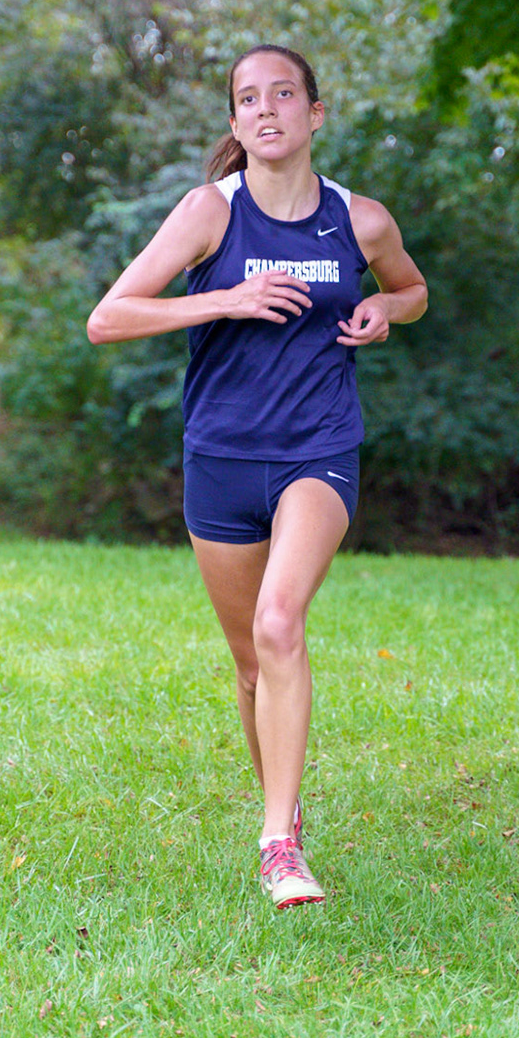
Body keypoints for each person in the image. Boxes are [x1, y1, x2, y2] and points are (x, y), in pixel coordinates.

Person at [86, 45, 429, 908]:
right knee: (249, 664)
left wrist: (384, 306)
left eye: (283, 94)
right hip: (221, 459)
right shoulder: (210, 211)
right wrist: (225, 299)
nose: (266, 108)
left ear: (316, 113)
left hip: (318, 450)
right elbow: (108, 318)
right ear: (236, 122)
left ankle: (279, 845)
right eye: (248, 98)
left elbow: (414, 289)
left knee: (280, 624)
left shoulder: (360, 220)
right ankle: (285, 805)